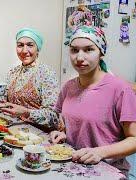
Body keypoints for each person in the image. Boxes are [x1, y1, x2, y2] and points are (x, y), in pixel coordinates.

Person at [50, 25, 136, 178]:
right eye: (74, 50)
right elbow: (67, 124)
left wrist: (100, 152)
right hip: (73, 167)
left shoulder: (120, 89)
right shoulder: (68, 86)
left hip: (107, 171)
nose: (79, 57)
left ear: (101, 53)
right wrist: (61, 133)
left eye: (89, 49)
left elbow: (134, 139)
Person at [0, 28, 60, 132]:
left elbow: (53, 118)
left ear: (38, 48)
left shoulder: (47, 74)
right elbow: (4, 106)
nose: (24, 51)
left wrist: (26, 112)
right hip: (13, 132)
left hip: (39, 135)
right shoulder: (12, 73)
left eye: (30, 45)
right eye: (20, 45)